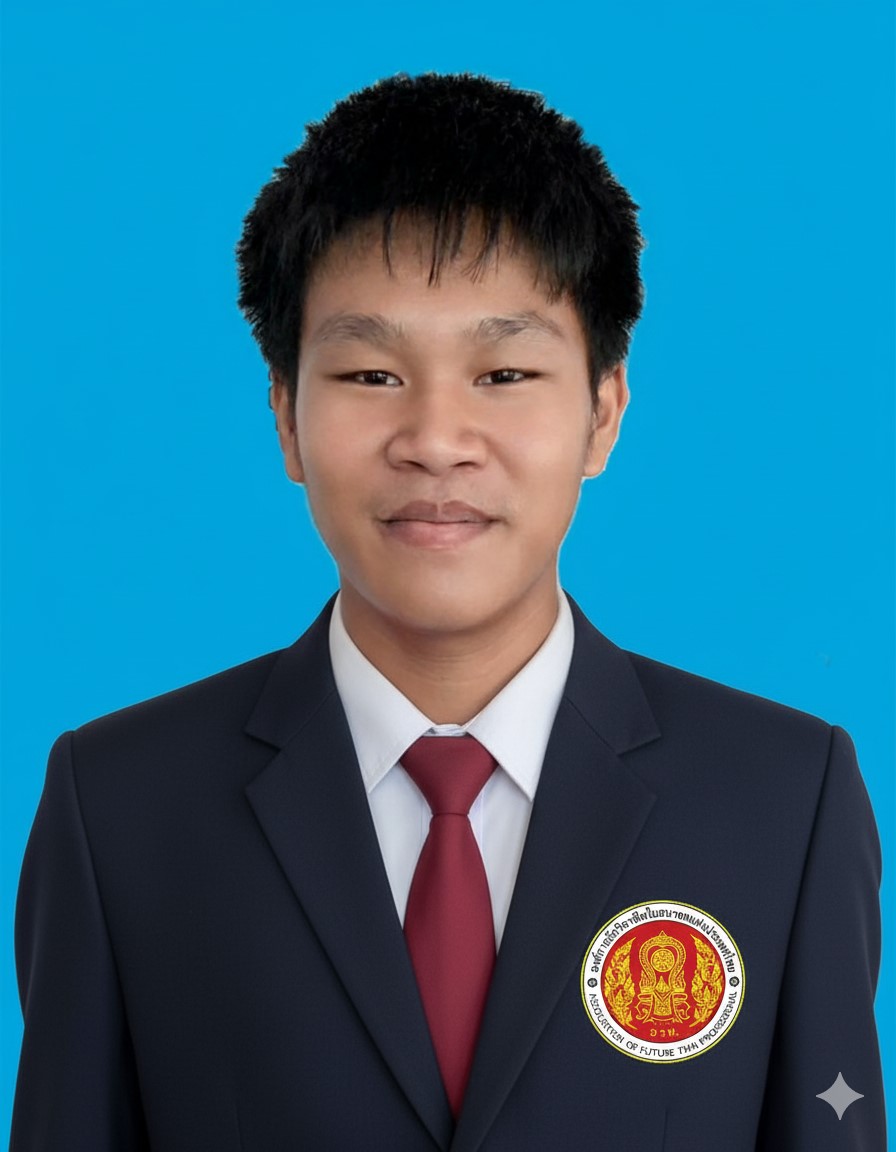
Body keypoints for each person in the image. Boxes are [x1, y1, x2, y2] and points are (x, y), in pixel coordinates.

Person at [11, 72, 885, 1151]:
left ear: (603, 413)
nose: (435, 440)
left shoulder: (781, 801)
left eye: (504, 372)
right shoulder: (121, 807)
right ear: (285, 417)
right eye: (371, 375)